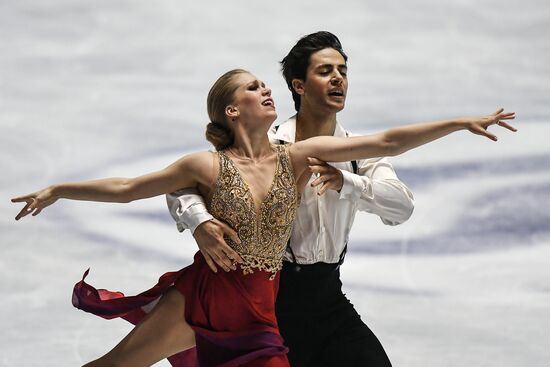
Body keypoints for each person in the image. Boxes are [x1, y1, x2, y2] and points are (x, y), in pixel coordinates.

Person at [11, 66, 516, 367]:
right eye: (253, 88)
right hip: (203, 298)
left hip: (260, 309)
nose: (266, 90)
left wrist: (457, 122)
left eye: (263, 84)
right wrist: (59, 189)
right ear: (232, 111)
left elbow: (384, 142)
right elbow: (127, 188)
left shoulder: (296, 156)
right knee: (116, 365)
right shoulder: (205, 166)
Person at [166, 31, 407, 366]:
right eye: (325, 71)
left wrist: (346, 183)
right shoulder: (270, 146)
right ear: (299, 86)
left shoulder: (356, 153)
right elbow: (184, 182)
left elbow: (401, 206)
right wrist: (199, 221)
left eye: (343, 71)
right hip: (272, 301)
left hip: (329, 299)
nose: (338, 78)